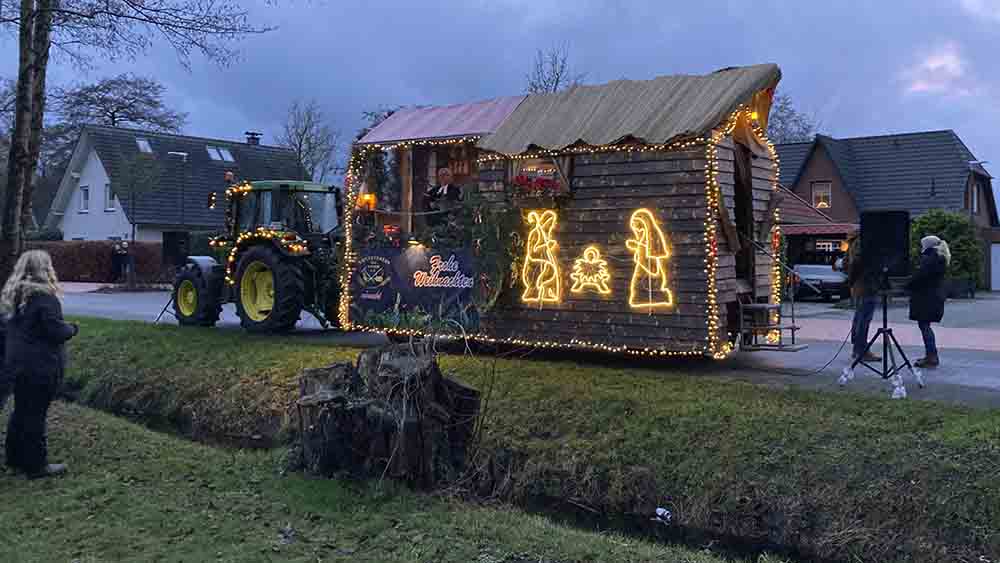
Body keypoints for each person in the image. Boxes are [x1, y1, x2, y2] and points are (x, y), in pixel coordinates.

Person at [1, 250, 79, 479]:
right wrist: (73, 328)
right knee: (36, 415)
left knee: (21, 412)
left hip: (16, 363)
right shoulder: (45, 298)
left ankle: (14, 458)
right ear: (45, 270)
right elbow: (55, 331)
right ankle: (36, 466)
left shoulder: (14, 295)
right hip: (40, 367)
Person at [907, 235, 949, 368]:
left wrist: (906, 286)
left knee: (924, 326)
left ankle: (931, 357)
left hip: (926, 298)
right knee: (925, 326)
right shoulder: (939, 258)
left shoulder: (929, 259)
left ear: (927, 246)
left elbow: (920, 277)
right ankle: (930, 355)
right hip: (934, 297)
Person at [844, 231, 880, 362]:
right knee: (864, 319)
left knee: (859, 317)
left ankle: (857, 349)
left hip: (858, 286)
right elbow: (857, 263)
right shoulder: (862, 243)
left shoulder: (851, 244)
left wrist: (851, 281)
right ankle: (862, 351)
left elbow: (845, 263)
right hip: (867, 285)